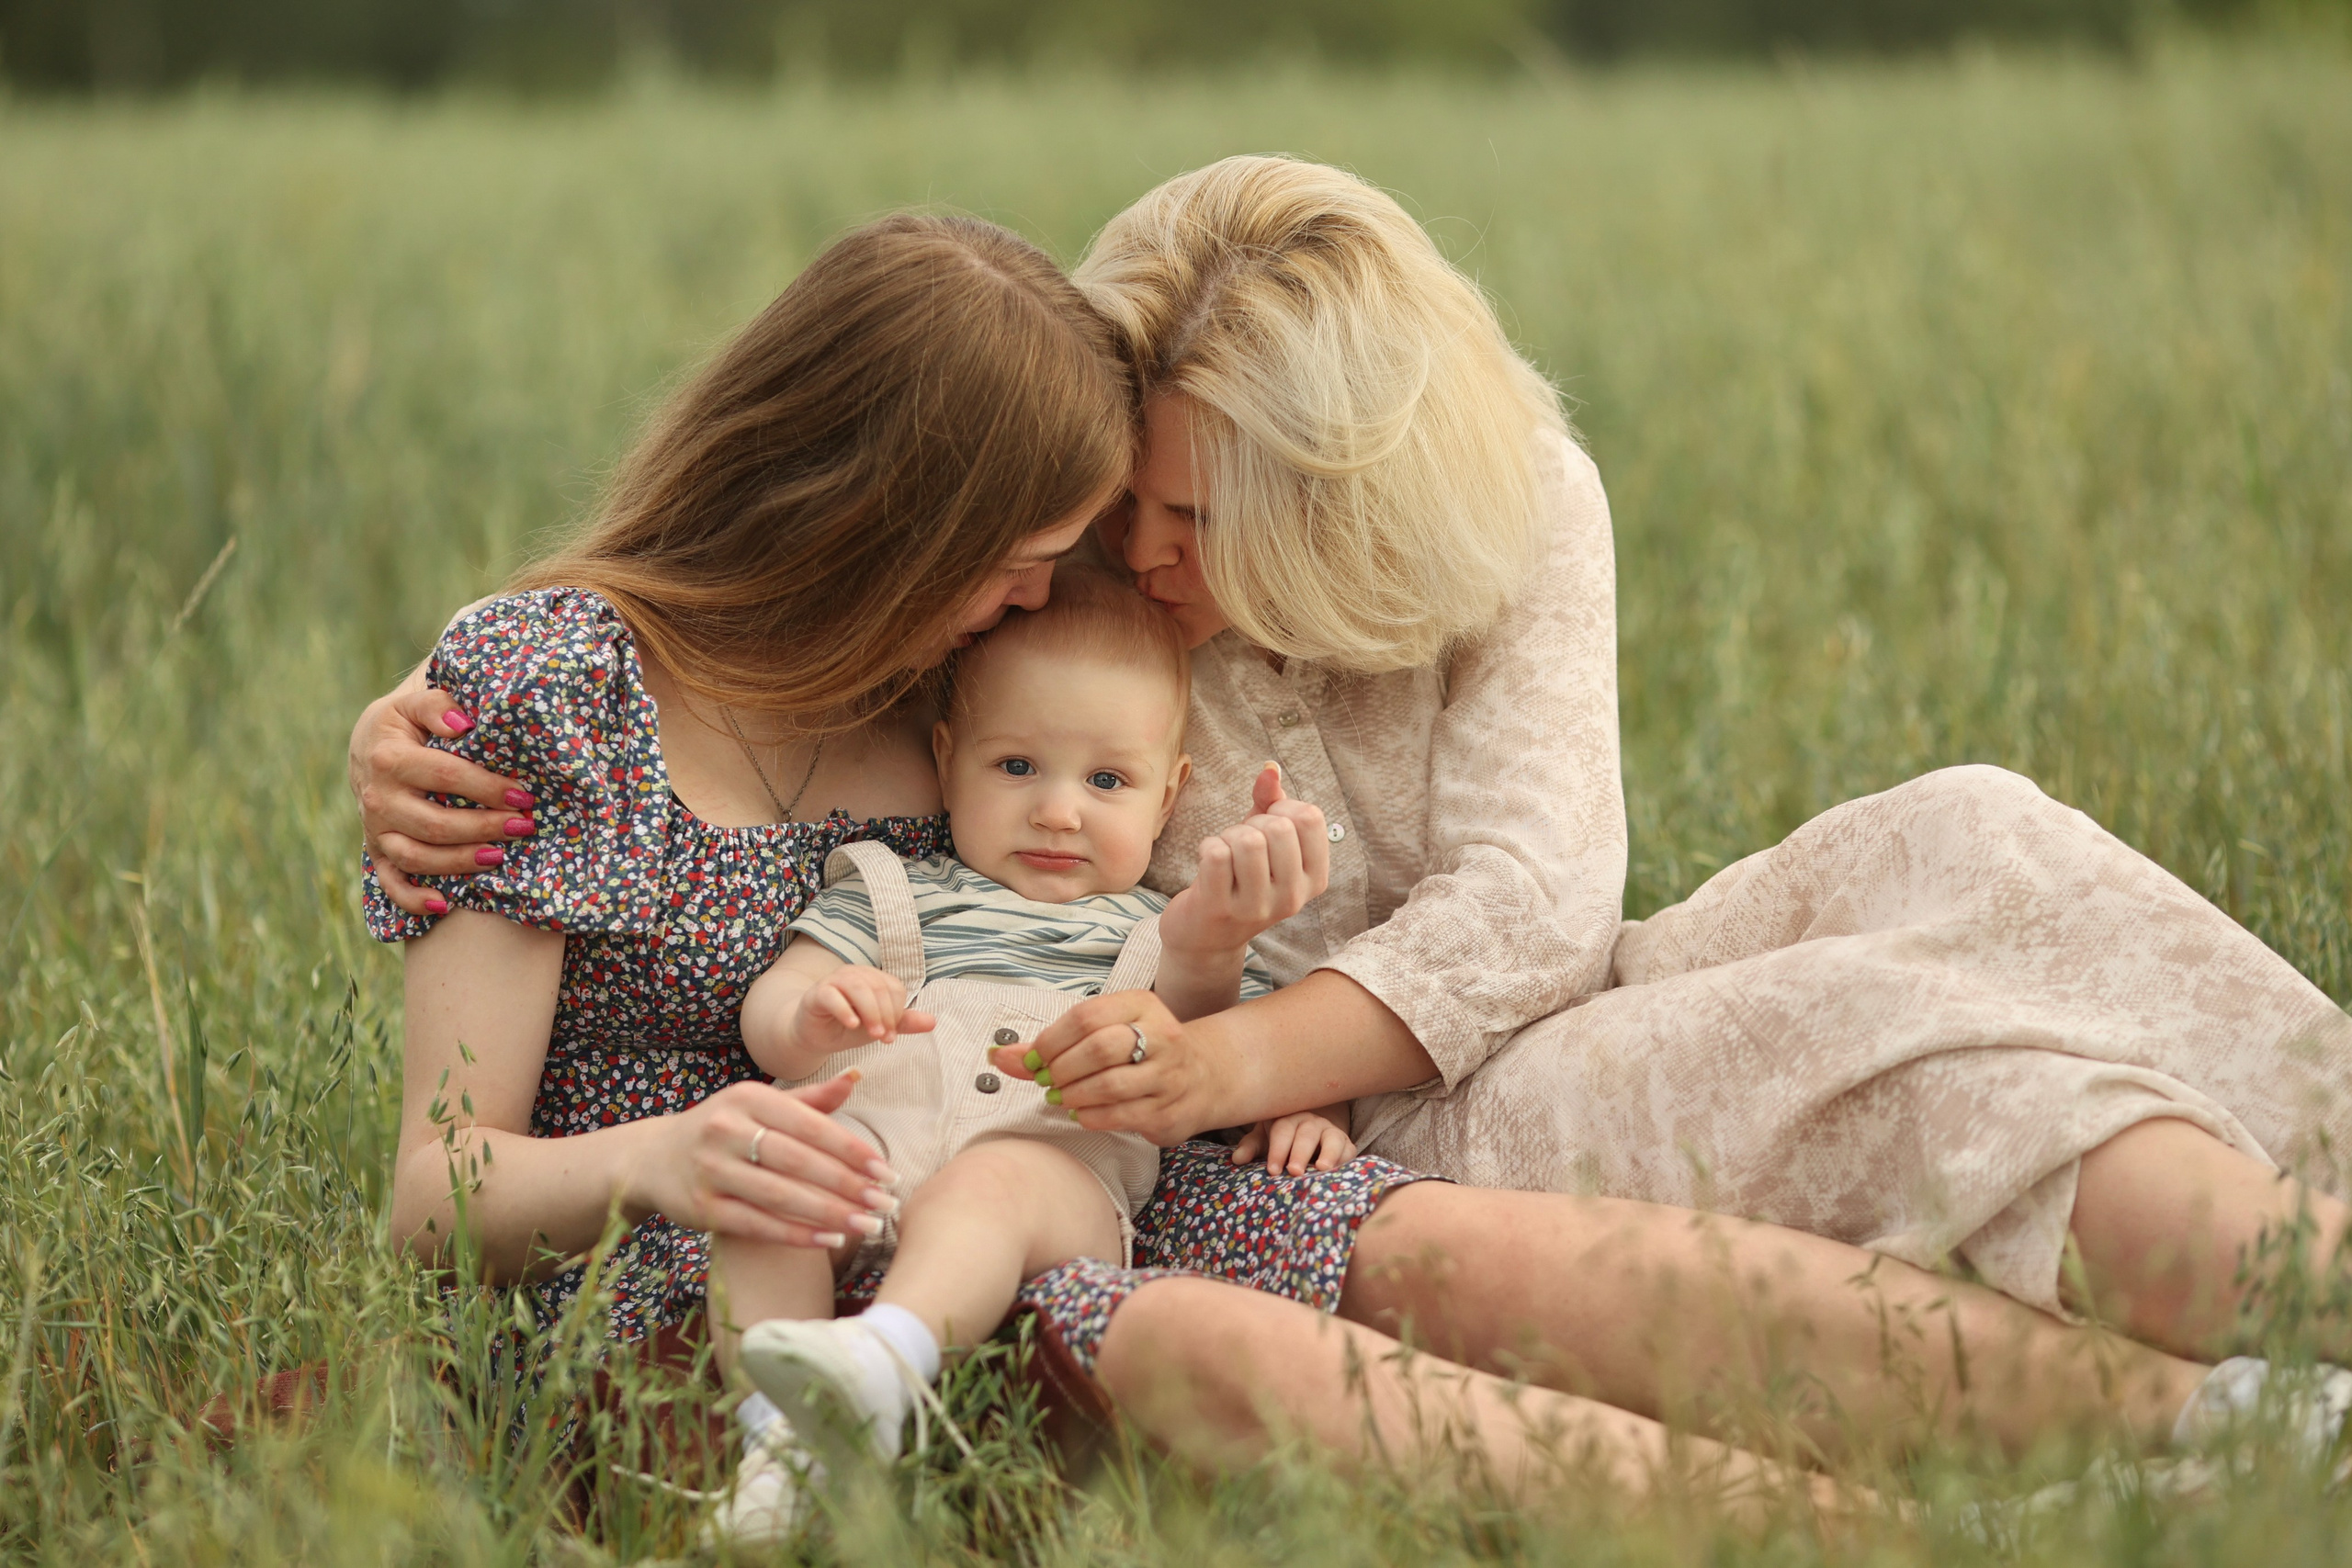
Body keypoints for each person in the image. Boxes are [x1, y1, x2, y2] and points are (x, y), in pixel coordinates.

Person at [354, 168, 2337, 1522]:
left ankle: (2208, 1429)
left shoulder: (932, 675)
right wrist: (666, 1151)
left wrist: (1213, 1035)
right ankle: (1892, 1541)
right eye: (1028, 557)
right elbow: (433, 1196)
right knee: (1230, 1344)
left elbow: (1172, 901)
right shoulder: (537, 694)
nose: (1066, 602)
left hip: (1055, 1167)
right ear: (885, 503)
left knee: (1489, 1246)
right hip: (731, 1271)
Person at [713, 567, 1349, 1537]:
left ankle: (886, 1357)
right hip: (868, 1151)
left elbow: (1245, 1047)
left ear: (1169, 794)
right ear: (946, 757)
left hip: (1054, 1179)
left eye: (1106, 782)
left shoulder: (1168, 933)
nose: (1059, 811)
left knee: (994, 1187)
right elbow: (775, 1003)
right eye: (1016, 768)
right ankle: (782, 1444)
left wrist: (1309, 1106)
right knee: (766, 1187)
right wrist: (813, 1014)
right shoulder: (893, 894)